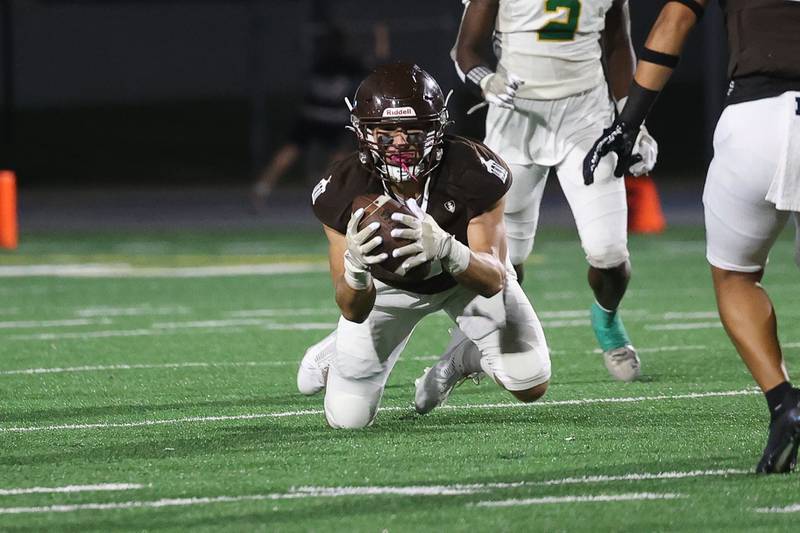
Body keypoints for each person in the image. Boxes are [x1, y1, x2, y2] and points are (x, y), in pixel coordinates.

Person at [583, 0, 800, 473]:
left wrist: (629, 122)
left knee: (735, 276)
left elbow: (673, 21)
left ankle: (785, 402)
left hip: (756, 120)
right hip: (759, 113)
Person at [297, 63, 551, 428]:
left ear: (437, 128)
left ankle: (460, 358)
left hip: (462, 280)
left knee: (530, 380)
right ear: (363, 133)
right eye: (386, 131)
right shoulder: (341, 189)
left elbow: (495, 279)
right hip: (387, 289)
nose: (400, 143)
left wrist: (449, 249)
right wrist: (355, 266)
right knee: (348, 419)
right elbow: (351, 307)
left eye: (413, 130)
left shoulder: (473, 170)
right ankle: (334, 349)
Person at [451, 0, 658, 381]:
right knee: (503, 259)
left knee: (610, 254)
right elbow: (465, 49)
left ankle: (607, 320)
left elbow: (617, 44)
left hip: (587, 115)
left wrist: (633, 121)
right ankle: (498, 336)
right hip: (516, 115)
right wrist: (485, 79)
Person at [250, 22, 389, 210]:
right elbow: (379, 65)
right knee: (339, 158)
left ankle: (261, 189)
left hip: (310, 115)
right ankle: (327, 194)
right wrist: (381, 37)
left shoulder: (318, 62)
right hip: (332, 118)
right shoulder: (346, 63)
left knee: (290, 151)